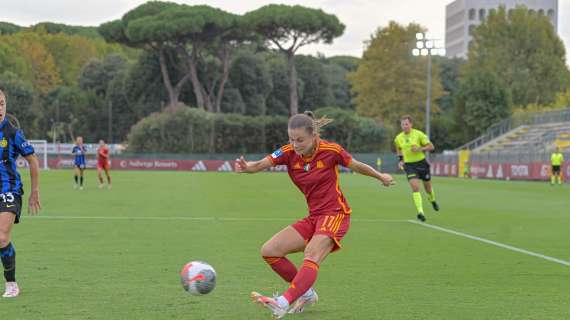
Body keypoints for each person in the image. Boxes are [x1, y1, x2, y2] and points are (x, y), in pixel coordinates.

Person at [235, 111, 394, 318]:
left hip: (336, 214)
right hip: (314, 217)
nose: (295, 144)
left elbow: (356, 165)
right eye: (291, 139)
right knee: (269, 250)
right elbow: (260, 164)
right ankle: (307, 293)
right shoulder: (287, 152)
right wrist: (247, 168)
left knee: (311, 254)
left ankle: (282, 302)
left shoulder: (331, 150)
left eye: (300, 140)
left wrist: (380, 176)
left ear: (313, 136)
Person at [0, 89, 41, 298]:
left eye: (2, 103)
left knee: (1, 237)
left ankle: (12, 284)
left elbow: (33, 160)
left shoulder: (12, 132)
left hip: (9, 189)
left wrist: (35, 191)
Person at [394, 115, 439, 222]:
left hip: (422, 163)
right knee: (415, 187)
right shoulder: (398, 138)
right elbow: (399, 149)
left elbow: (431, 146)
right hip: (409, 166)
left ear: (411, 124)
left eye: (406, 124)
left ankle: (432, 200)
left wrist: (420, 148)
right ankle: (420, 212)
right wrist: (400, 160)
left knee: (428, 188)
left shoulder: (418, 134)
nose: (404, 126)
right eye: (402, 124)